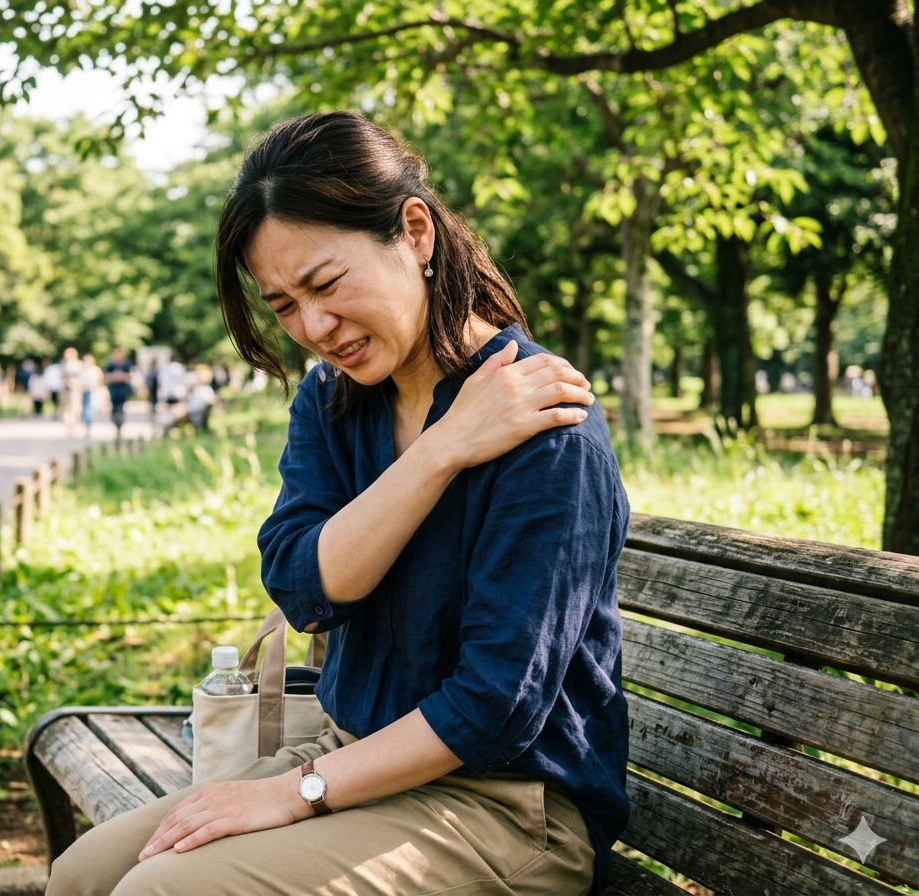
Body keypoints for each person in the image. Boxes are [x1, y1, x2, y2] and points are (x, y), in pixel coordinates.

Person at [47, 112, 627, 896]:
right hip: (351, 755)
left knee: (160, 893)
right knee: (83, 876)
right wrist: (441, 449)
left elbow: (495, 705)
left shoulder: (545, 427)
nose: (314, 328)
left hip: (507, 808)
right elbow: (303, 589)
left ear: (414, 233)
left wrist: (291, 793)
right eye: (282, 304)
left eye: (325, 284)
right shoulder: (335, 399)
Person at [105, 347, 133, 435]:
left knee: (120, 407)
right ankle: (116, 423)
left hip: (122, 390)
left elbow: (130, 376)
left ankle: (120, 424)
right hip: (113, 389)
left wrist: (121, 377)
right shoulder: (110, 364)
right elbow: (106, 377)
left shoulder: (126, 364)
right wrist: (114, 377)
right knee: (114, 407)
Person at [60, 347, 83, 437]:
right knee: (66, 408)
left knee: (75, 408)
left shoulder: (78, 364)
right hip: (65, 389)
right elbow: (61, 376)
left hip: (75, 389)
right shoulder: (63, 364)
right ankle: (68, 425)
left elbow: (81, 377)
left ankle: (73, 424)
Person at [185, 364, 216, 431]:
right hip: (195, 415)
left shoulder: (203, 390)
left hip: (195, 417)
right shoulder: (204, 389)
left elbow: (192, 408)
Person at [80, 353, 102, 436]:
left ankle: (90, 424)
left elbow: (100, 380)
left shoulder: (95, 370)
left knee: (91, 407)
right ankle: (86, 424)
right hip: (84, 391)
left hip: (93, 391)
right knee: (85, 408)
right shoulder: (82, 370)